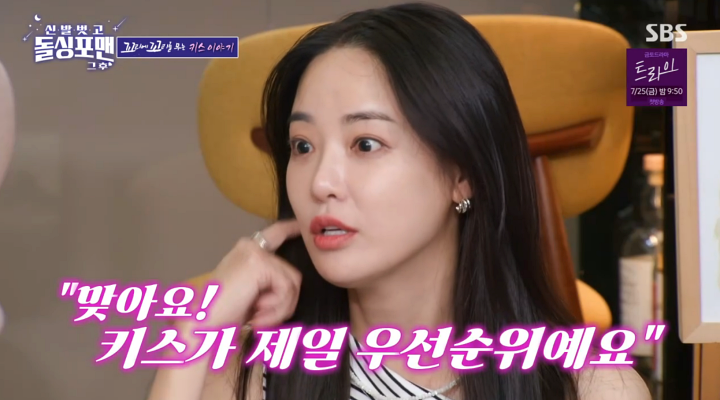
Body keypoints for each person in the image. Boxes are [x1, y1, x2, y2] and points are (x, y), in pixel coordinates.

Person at [147, 3, 650, 399]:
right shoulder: (250, 376)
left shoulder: (591, 389)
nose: (321, 182)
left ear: (463, 175)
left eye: (365, 144)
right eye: (302, 146)